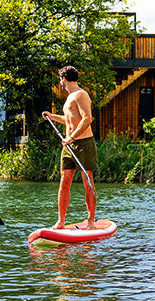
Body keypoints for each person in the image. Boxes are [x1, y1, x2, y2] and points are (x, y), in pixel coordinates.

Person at [41, 65, 97, 230]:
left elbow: (87, 119)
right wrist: (52, 117)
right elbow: (69, 120)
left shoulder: (81, 95)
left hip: (84, 144)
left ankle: (91, 221)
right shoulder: (69, 97)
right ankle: (60, 221)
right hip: (68, 145)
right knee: (64, 183)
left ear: (63, 79)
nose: (60, 83)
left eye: (60, 80)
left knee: (88, 182)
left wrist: (72, 137)